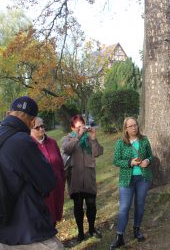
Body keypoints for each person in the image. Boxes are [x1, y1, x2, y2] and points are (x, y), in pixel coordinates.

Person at [0, 96, 64, 249]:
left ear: (9, 113)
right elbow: (48, 182)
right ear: (32, 121)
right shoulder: (23, 141)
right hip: (28, 229)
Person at [110, 117, 153, 250]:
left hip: (143, 178)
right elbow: (116, 161)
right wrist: (130, 163)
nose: (134, 127)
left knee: (139, 205)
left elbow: (150, 155)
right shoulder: (120, 143)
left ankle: (136, 231)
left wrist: (147, 161)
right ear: (126, 129)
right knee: (124, 207)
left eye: (135, 125)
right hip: (126, 179)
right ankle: (119, 237)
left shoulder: (144, 140)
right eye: (131, 126)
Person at [61, 115, 103, 242]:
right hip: (75, 179)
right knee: (78, 206)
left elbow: (98, 152)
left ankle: (91, 229)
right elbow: (67, 149)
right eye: (78, 127)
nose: (81, 129)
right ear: (72, 127)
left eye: (82, 126)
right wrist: (78, 136)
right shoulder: (67, 138)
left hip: (89, 177)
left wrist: (94, 138)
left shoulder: (89, 138)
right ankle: (80, 232)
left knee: (91, 205)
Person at [30, 117, 65, 227]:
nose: (41, 129)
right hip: (41, 193)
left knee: (54, 217)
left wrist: (62, 181)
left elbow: (60, 164)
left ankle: (55, 241)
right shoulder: (28, 146)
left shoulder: (52, 143)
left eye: (42, 126)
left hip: (56, 188)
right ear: (30, 129)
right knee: (44, 220)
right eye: (37, 127)